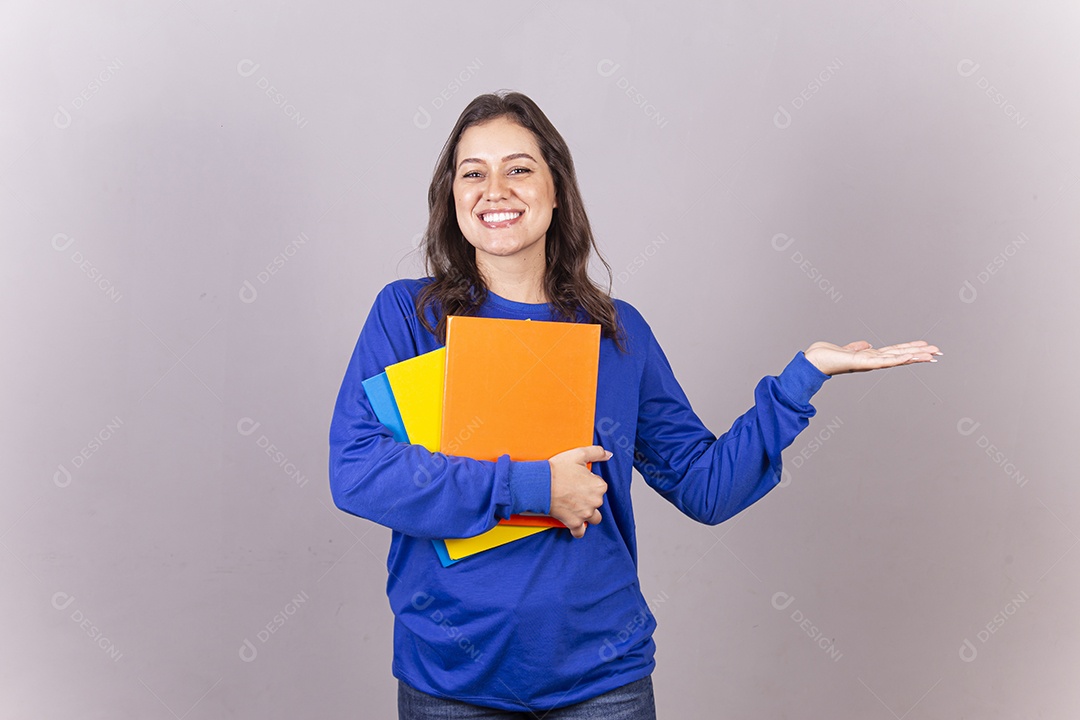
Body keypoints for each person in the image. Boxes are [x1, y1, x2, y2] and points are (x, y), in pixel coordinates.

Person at [328, 90, 941, 719]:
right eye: (473, 173)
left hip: (601, 682)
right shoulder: (411, 316)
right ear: (451, 194)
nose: (495, 189)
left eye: (519, 168)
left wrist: (800, 380)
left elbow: (706, 488)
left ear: (556, 187)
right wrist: (535, 487)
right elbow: (358, 471)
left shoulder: (618, 332)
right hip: (451, 680)